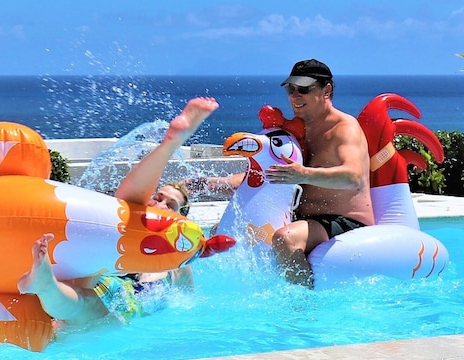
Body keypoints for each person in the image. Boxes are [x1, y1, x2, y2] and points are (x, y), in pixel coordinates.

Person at [18, 97, 220, 324]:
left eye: (170, 205)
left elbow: (188, 312)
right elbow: (128, 202)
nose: (160, 206)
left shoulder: (179, 268)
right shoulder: (116, 240)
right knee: (121, 227)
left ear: (182, 219)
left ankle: (47, 287)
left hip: (114, 319)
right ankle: (169, 144)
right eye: (157, 197)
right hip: (95, 307)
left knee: (108, 318)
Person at [187, 60, 374, 288]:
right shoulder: (296, 132)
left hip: (345, 221)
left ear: (327, 90)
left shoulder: (344, 128)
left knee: (285, 239)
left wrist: (303, 174)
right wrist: (209, 184)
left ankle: (301, 310)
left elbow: (353, 178)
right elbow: (269, 176)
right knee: (224, 230)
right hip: (304, 220)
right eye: (291, 89)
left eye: (304, 89)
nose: (295, 96)